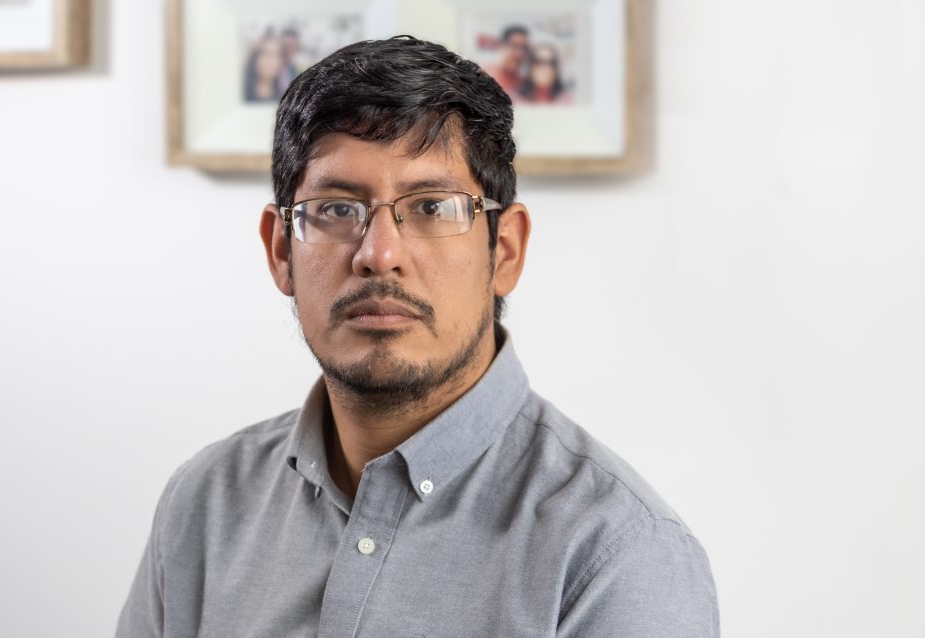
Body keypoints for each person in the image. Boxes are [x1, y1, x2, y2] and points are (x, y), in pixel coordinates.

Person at [117, 36, 719, 637]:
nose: (379, 255)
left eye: (432, 208)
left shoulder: (617, 554)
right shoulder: (205, 505)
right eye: (336, 209)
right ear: (280, 251)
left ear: (505, 251)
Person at [486, 25, 530, 98]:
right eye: (514, 46)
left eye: (524, 47)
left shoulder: (524, 83)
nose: (519, 53)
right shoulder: (484, 76)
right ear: (501, 46)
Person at [243, 32, 286, 103]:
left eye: (276, 54)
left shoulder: (284, 98)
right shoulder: (243, 95)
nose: (272, 60)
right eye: (266, 53)